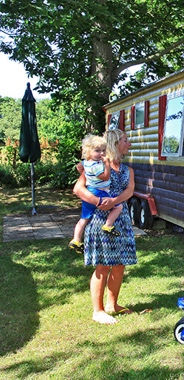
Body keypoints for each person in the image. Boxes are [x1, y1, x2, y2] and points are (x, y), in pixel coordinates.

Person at [73, 129, 137, 325]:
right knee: (103, 265)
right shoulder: (96, 167)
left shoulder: (128, 170)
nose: (129, 144)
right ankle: (97, 311)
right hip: (100, 220)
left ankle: (112, 304)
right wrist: (98, 201)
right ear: (115, 142)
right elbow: (78, 189)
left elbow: (130, 191)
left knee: (119, 264)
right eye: (126, 140)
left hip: (121, 219)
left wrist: (114, 201)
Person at [69, 135, 122, 253]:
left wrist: (87, 175)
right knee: (118, 206)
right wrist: (107, 164)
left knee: (84, 218)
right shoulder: (96, 165)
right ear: (88, 151)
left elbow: (79, 166)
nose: (101, 154)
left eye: (103, 150)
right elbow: (105, 177)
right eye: (97, 151)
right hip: (99, 191)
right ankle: (108, 226)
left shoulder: (87, 162)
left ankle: (76, 240)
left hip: (90, 190)